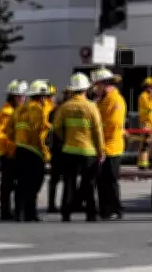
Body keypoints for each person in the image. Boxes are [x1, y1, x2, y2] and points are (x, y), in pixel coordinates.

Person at [53, 73, 105, 222]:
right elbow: (98, 131)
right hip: (88, 151)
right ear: (85, 89)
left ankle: (66, 212)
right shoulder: (91, 107)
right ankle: (90, 213)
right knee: (89, 183)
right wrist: (101, 150)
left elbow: (56, 127)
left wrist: (66, 139)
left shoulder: (65, 107)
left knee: (69, 183)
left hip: (69, 150)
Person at [12, 79, 51, 222]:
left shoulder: (21, 109)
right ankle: (30, 213)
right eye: (45, 97)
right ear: (41, 97)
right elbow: (37, 135)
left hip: (20, 150)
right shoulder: (37, 110)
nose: (46, 100)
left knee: (21, 183)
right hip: (33, 152)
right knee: (34, 184)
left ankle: (18, 212)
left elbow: (12, 129)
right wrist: (45, 153)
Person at [94, 68, 127, 220]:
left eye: (97, 85)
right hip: (102, 146)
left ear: (105, 84)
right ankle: (105, 209)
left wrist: (103, 148)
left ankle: (115, 208)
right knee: (102, 181)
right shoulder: (102, 100)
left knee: (110, 180)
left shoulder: (115, 100)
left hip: (111, 148)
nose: (95, 89)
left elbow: (112, 125)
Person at [0, 80, 27, 220]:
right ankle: (6, 212)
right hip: (9, 154)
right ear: (13, 97)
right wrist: (11, 147)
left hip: (16, 152)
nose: (23, 99)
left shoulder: (17, 111)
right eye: (21, 96)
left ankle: (16, 211)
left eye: (24, 96)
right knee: (7, 185)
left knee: (18, 183)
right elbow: (0, 134)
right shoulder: (7, 112)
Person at [47, 85, 65, 213]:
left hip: (57, 148)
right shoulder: (61, 110)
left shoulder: (54, 110)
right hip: (64, 148)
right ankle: (64, 204)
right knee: (68, 178)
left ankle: (52, 204)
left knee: (55, 179)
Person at [137, 77, 152, 169]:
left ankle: (150, 162)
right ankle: (143, 164)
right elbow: (149, 107)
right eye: (151, 87)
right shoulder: (143, 96)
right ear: (146, 87)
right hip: (146, 123)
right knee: (145, 144)